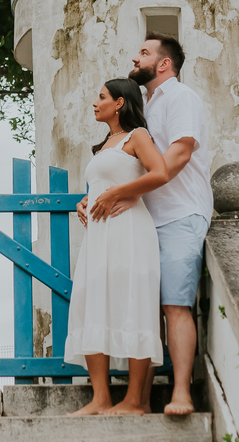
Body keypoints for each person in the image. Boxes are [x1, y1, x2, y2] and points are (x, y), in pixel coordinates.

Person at [78, 32, 213, 416]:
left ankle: (181, 393)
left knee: (174, 304)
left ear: (164, 63)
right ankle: (134, 399)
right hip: (142, 220)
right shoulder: (146, 106)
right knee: (142, 307)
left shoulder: (180, 97)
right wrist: (102, 193)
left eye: (143, 53)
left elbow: (181, 152)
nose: (135, 59)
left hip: (179, 213)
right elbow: (126, 165)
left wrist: (130, 192)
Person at [64, 78, 170, 416]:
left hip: (129, 231)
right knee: (93, 301)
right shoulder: (104, 144)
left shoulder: (136, 136)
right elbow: (102, 184)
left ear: (120, 102)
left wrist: (119, 194)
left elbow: (161, 172)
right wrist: (86, 200)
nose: (95, 103)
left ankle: (135, 401)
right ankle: (100, 398)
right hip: (98, 235)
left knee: (133, 302)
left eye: (101, 97)